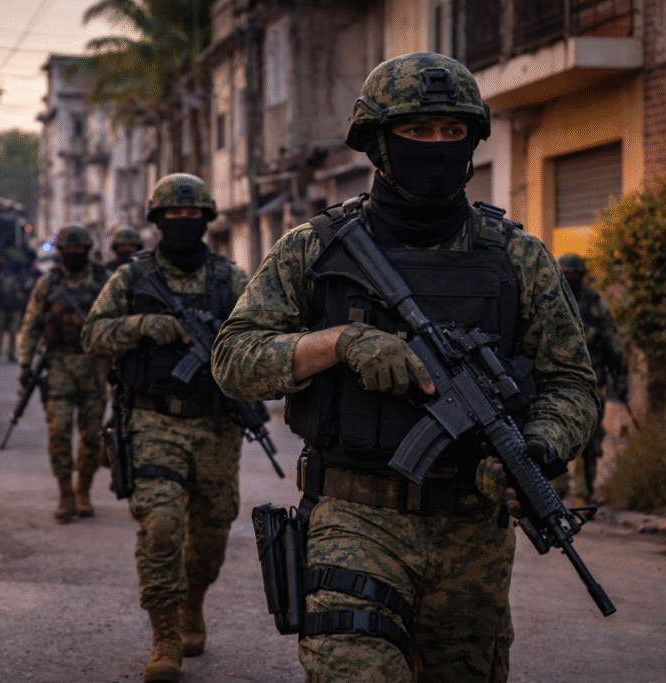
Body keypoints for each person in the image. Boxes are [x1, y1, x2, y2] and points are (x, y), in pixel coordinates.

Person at [210, 53, 598, 683]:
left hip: (472, 531)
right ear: (377, 143)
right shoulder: (314, 248)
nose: (437, 146)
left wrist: (538, 446)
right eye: (417, 131)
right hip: (353, 517)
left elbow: (570, 383)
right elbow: (232, 361)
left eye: (453, 132)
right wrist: (338, 342)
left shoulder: (517, 258)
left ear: (473, 141)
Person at [81, 173, 249, 683]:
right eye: (172, 215)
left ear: (205, 219)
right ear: (157, 221)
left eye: (192, 215)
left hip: (217, 424)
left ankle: (192, 601)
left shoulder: (229, 279)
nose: (182, 222)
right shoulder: (133, 280)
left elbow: (263, 336)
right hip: (153, 419)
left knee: (212, 534)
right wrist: (142, 326)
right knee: (161, 528)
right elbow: (92, 334)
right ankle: (165, 638)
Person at [18, 226, 110, 523]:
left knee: (93, 433)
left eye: (77, 251)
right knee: (58, 429)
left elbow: (120, 320)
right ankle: (65, 494)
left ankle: (83, 490)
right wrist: (25, 364)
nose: (72, 256)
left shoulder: (104, 281)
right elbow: (32, 325)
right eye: (66, 252)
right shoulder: (49, 283)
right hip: (59, 363)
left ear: (88, 251)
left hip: (95, 364)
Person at [557, 253, 629, 507]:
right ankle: (555, 488)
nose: (572, 281)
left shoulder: (595, 306)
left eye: (576, 277)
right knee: (555, 435)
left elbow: (613, 345)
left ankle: (583, 493)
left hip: (592, 385)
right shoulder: (549, 302)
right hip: (555, 384)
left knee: (589, 439)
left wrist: (621, 381)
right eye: (567, 276)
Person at [0, 263, 28, 361]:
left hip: (13, 309)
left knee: (13, 331)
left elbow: (21, 298)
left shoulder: (19, 278)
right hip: (1, 309)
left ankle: (10, 353)